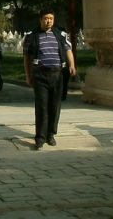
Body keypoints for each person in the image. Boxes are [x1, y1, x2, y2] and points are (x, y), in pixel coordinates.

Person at [23, 9, 76, 149]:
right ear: (40, 20)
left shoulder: (59, 34)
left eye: (51, 18)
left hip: (57, 74)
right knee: (42, 106)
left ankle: (51, 134)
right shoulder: (32, 36)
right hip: (40, 75)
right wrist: (28, 76)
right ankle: (40, 137)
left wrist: (72, 65)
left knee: (55, 105)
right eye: (46, 18)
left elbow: (68, 49)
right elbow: (26, 58)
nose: (49, 21)